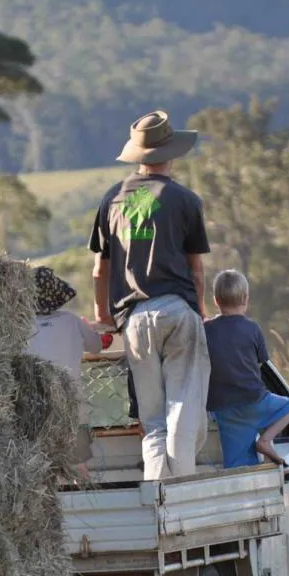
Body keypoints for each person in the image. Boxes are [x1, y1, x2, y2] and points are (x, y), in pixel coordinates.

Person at [89, 109, 210, 481]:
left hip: (135, 319)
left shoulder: (112, 200)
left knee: (153, 419)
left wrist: (104, 318)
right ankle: (183, 494)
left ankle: (157, 494)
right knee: (183, 409)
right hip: (177, 310)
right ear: (170, 153)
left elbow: (100, 269)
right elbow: (197, 270)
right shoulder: (185, 200)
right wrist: (201, 311)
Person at [205, 270, 289, 471]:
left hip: (223, 408)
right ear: (246, 298)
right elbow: (260, 365)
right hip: (254, 400)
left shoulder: (206, 329)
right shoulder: (252, 328)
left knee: (237, 465)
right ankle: (266, 440)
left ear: (215, 300)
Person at [24, 266, 103, 482]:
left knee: (41, 468)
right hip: (72, 403)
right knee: (78, 466)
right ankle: (85, 498)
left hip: (37, 406)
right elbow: (96, 346)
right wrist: (89, 327)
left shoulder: (22, 326)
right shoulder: (72, 321)